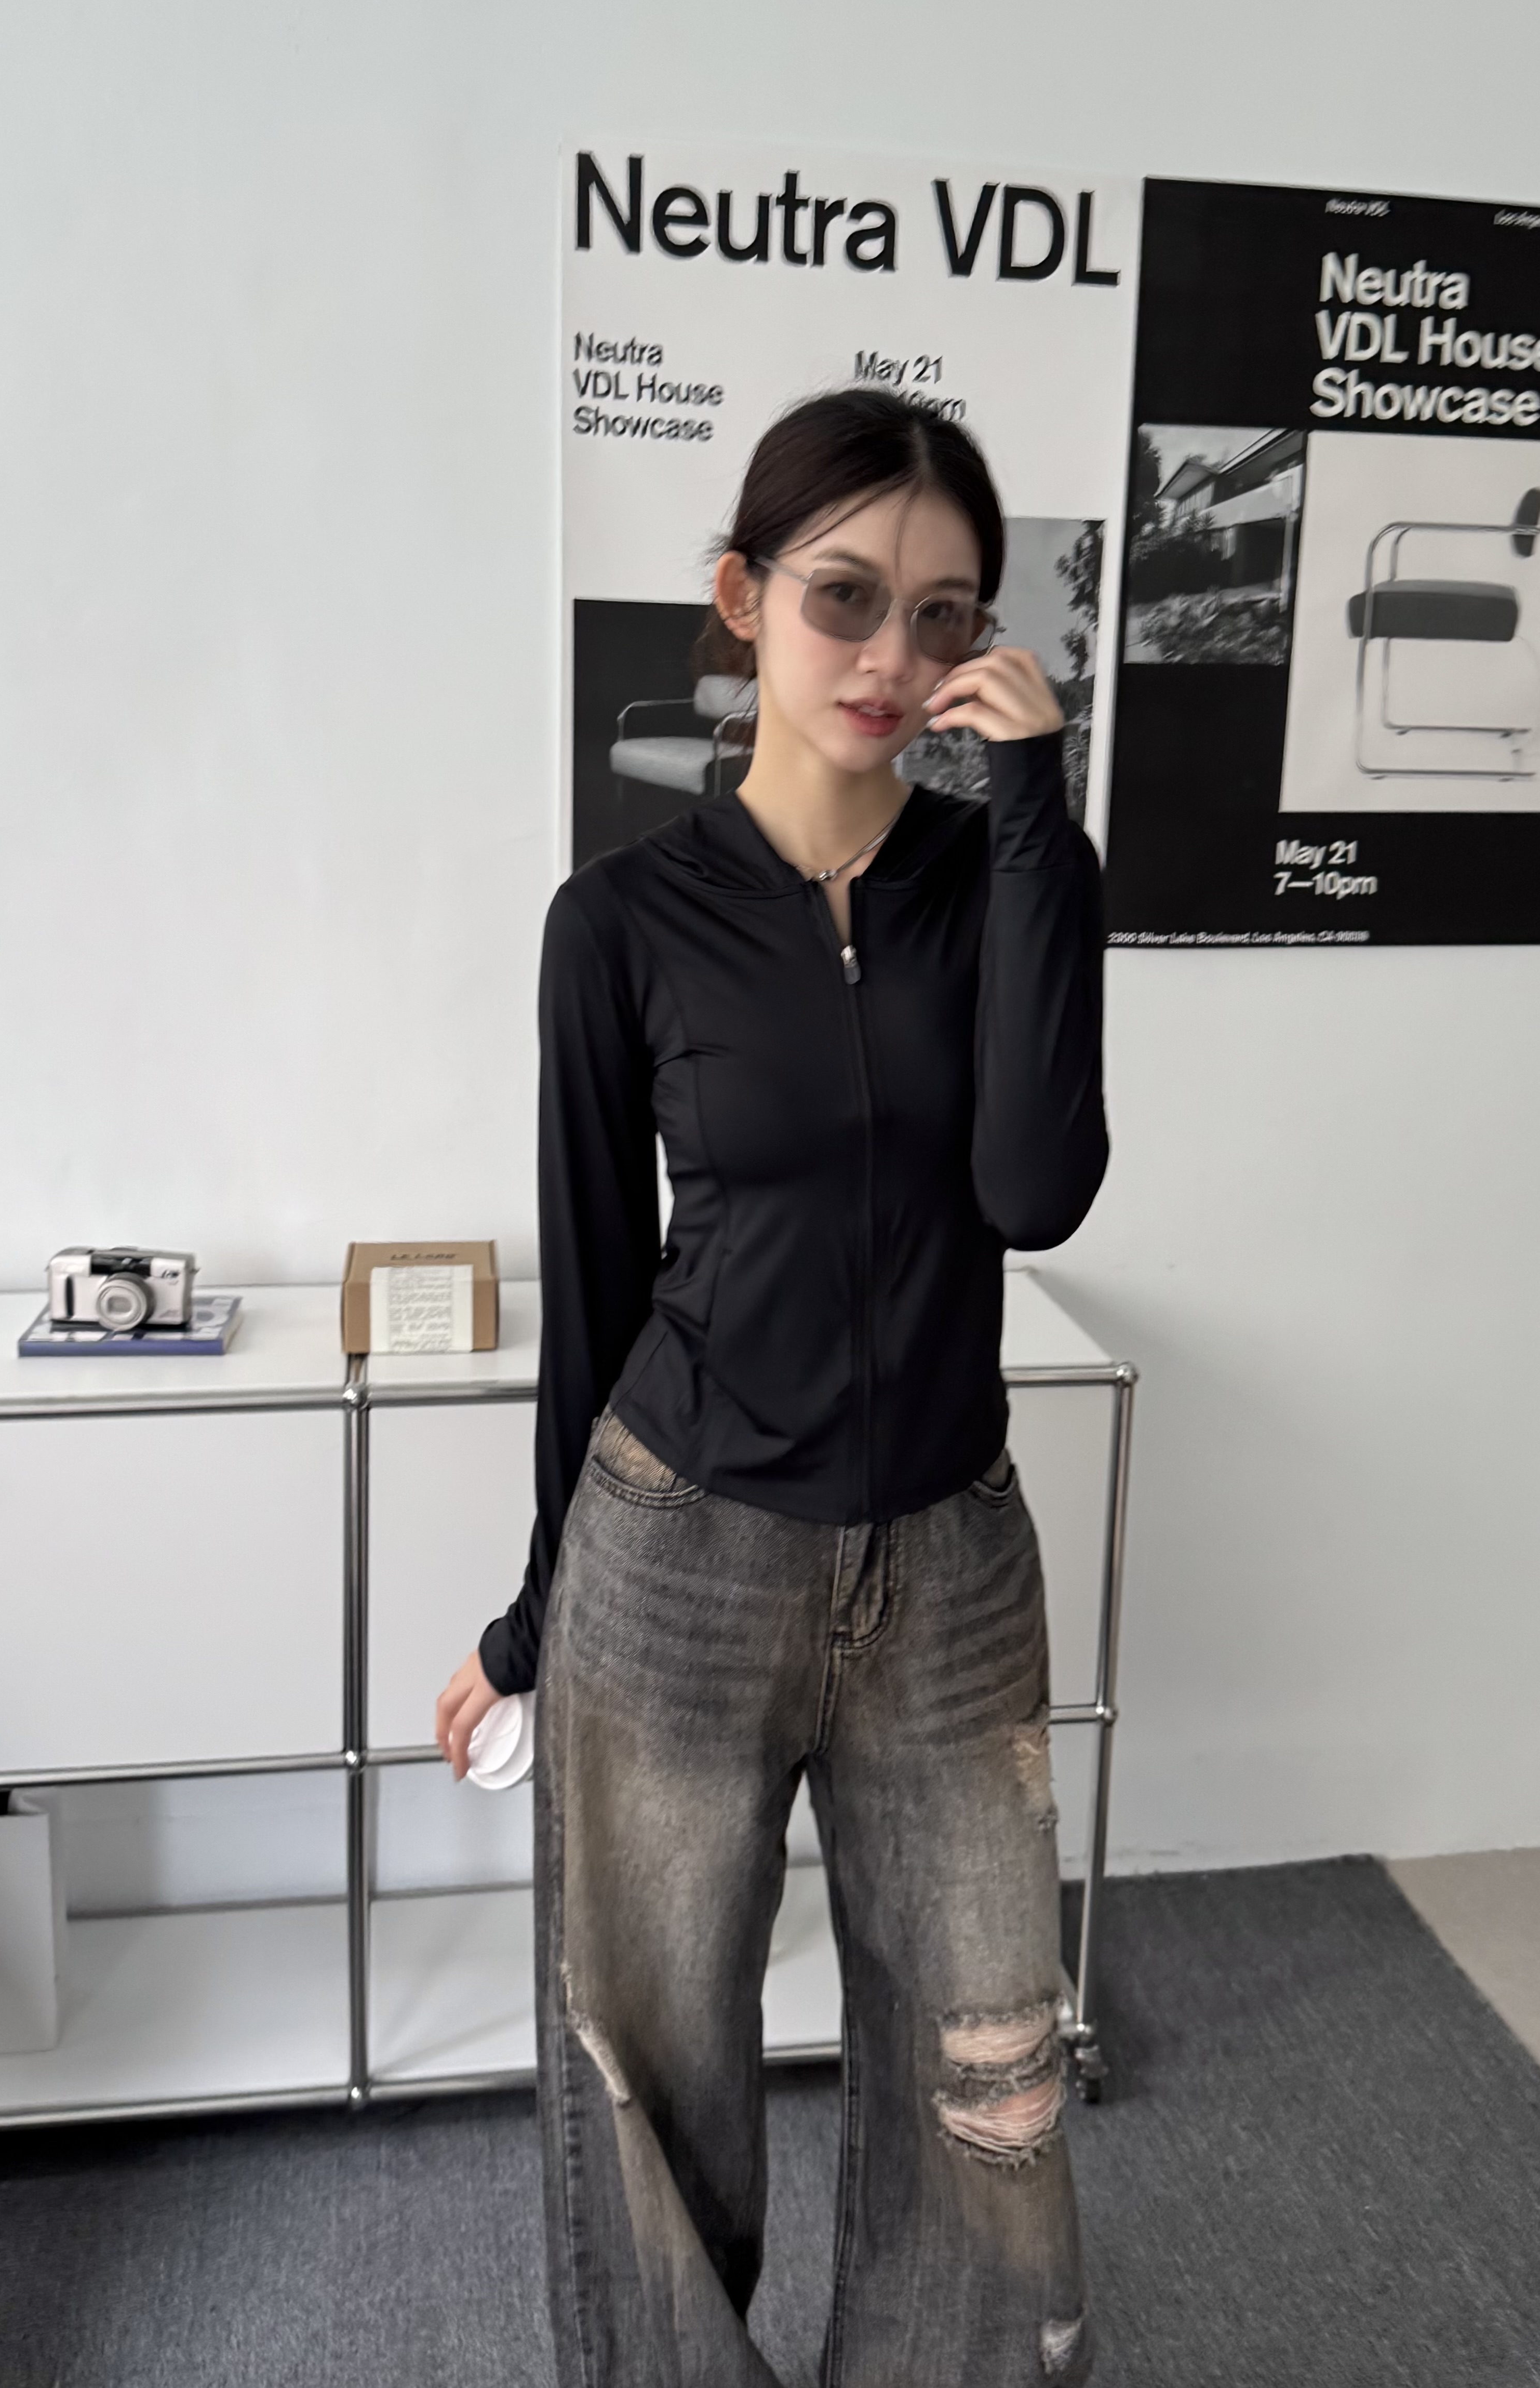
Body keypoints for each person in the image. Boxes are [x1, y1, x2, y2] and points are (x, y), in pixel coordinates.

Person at [435, 387, 1108, 2386]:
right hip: (681, 1559)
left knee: (987, 2075)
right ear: (742, 599)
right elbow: (597, 1291)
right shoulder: (617, 925)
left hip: (950, 1577)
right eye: (843, 597)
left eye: (942, 612)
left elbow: (1032, 1190)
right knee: (647, 2076)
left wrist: (1037, 820)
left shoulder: (1001, 878)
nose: (891, 655)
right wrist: (534, 1616)